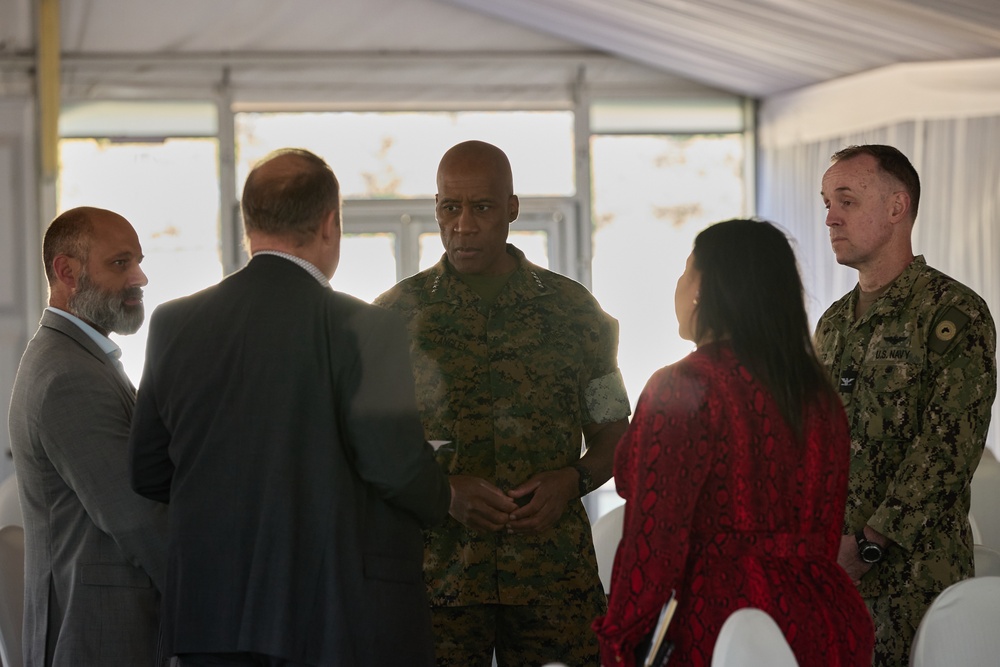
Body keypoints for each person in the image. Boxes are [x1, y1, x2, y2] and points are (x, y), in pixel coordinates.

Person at [128, 148, 451, 667]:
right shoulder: (364, 330)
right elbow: (392, 465)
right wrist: (444, 494)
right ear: (329, 225)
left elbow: (147, 471)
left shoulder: (174, 324)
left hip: (210, 615)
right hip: (333, 616)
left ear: (248, 225)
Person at [374, 140, 631, 667]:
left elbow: (614, 432)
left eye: (483, 208)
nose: (464, 224)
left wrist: (573, 480)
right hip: (436, 581)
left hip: (552, 580)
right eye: (450, 208)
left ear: (512, 209)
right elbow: (370, 451)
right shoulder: (394, 318)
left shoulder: (573, 311)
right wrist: (442, 491)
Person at [593, 219, 876, 667]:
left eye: (685, 271)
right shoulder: (816, 395)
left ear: (702, 287)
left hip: (724, 626)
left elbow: (653, 545)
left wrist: (619, 642)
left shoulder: (683, 386)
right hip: (826, 622)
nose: (679, 285)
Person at [816, 144, 997, 666]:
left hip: (913, 584)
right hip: (834, 575)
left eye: (846, 200)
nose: (830, 217)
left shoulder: (953, 311)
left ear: (898, 207)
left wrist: (868, 543)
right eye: (827, 202)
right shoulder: (832, 324)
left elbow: (949, 448)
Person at [7, 206, 169, 666]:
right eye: (120, 263)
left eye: (138, 260)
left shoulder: (77, 359)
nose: (139, 277)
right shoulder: (68, 376)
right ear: (67, 272)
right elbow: (137, 520)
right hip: (100, 639)